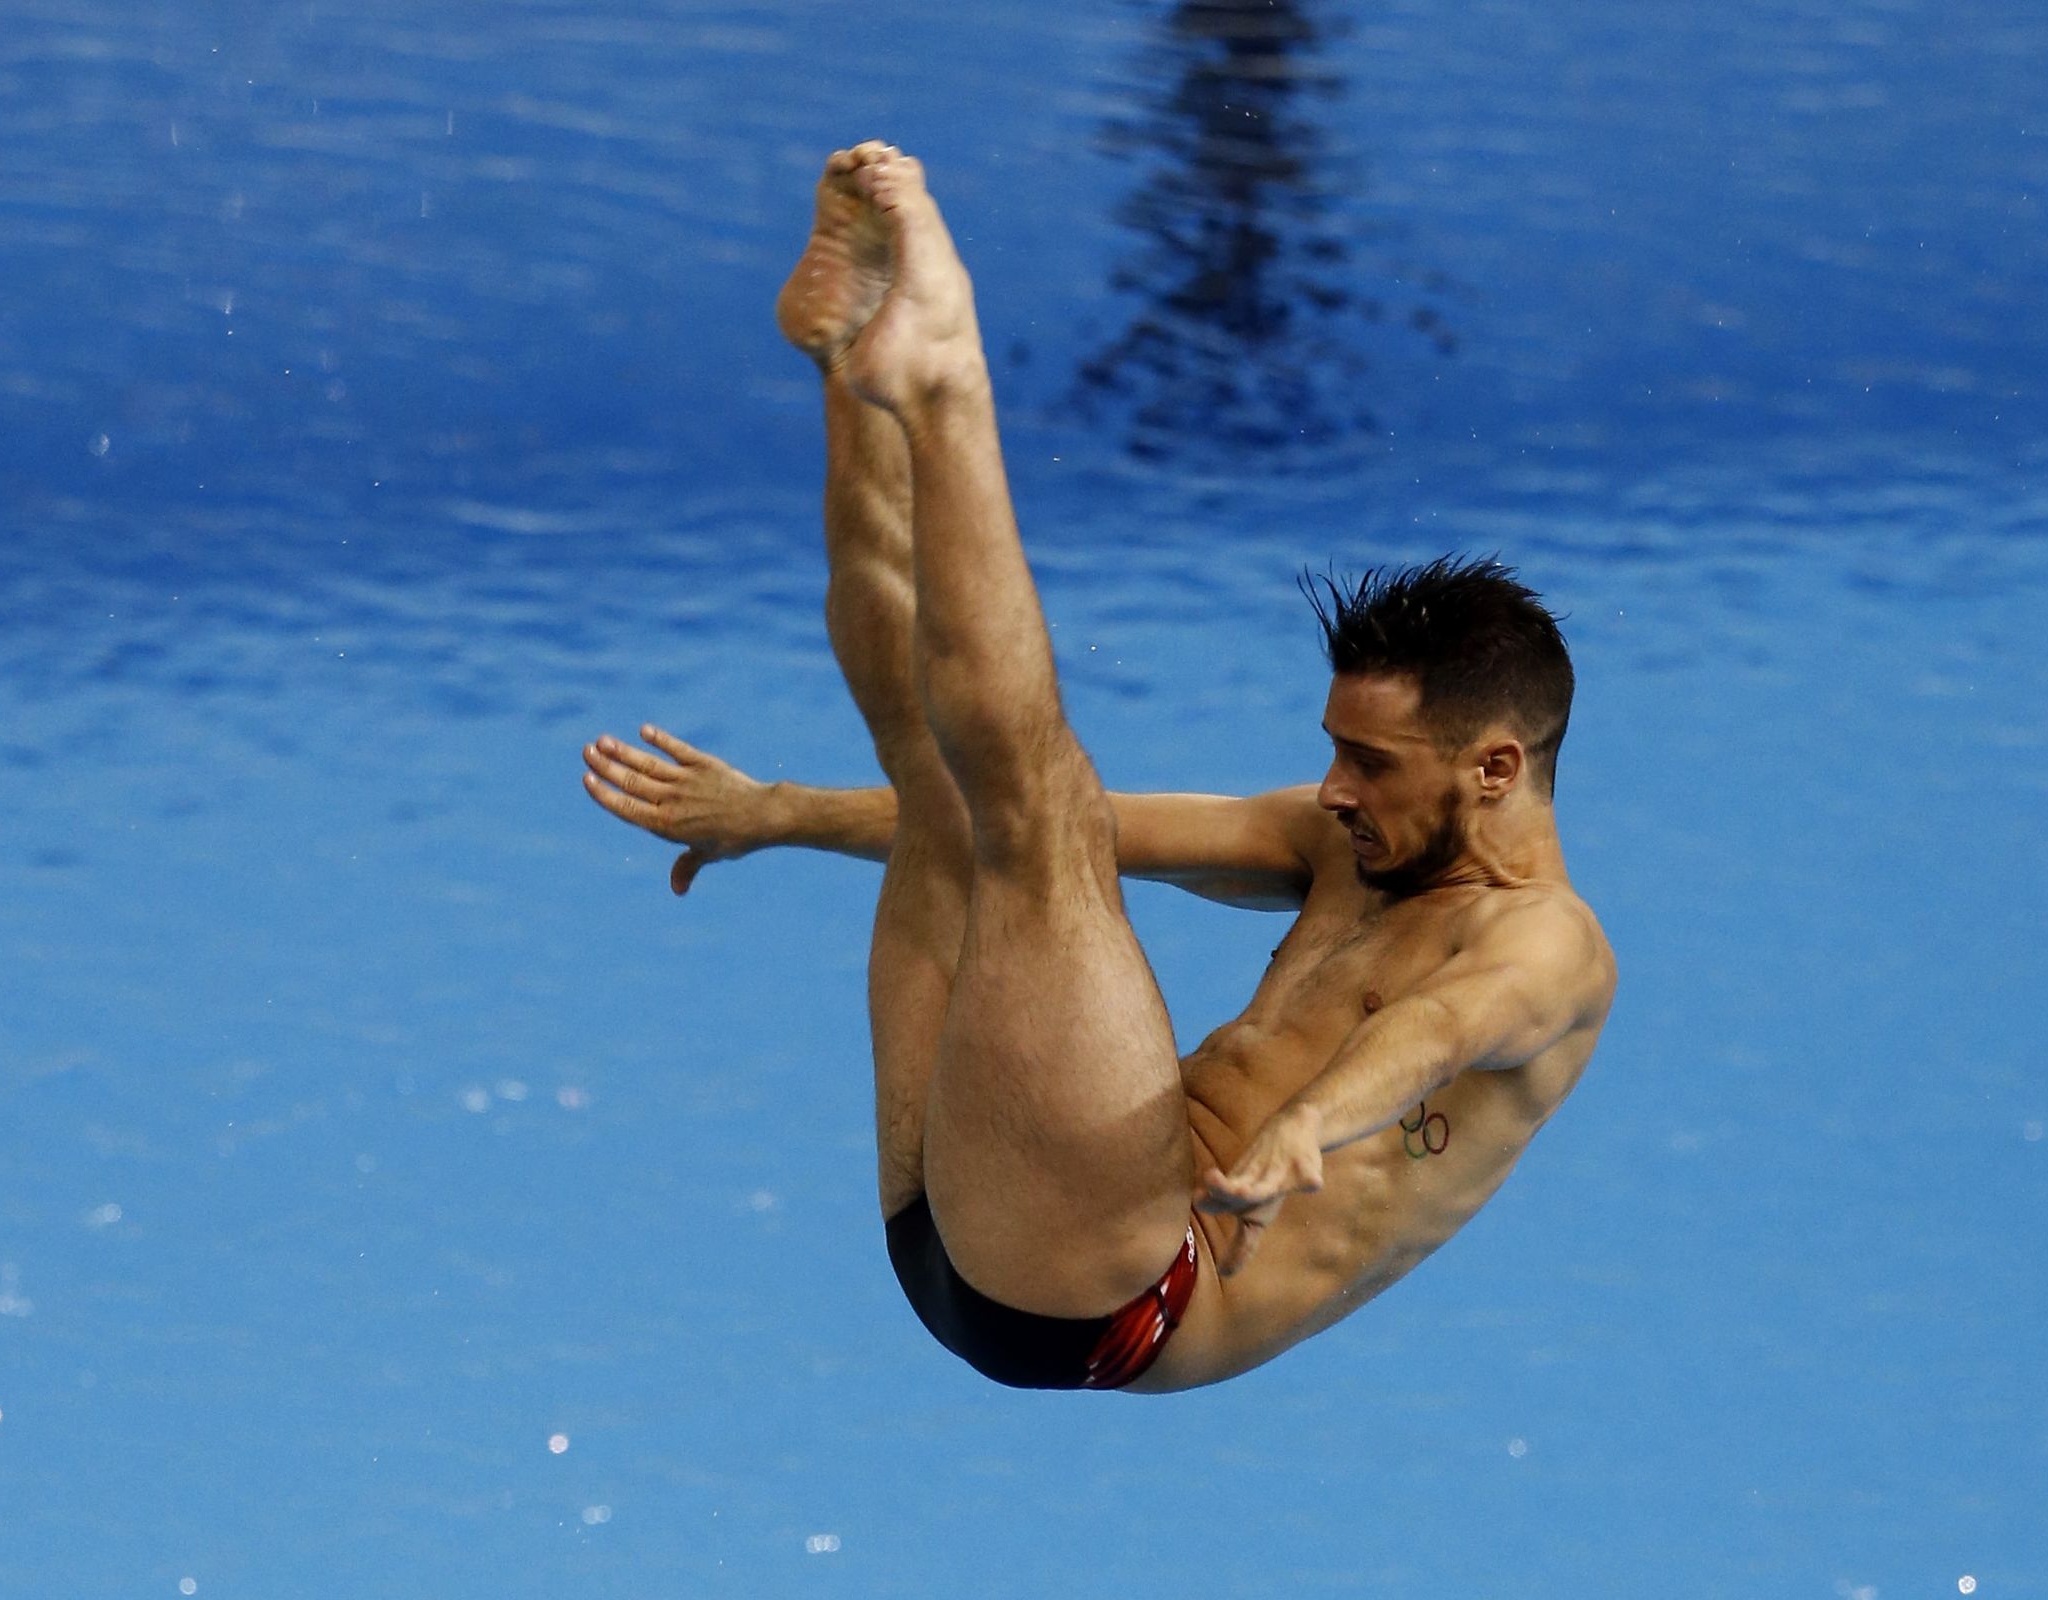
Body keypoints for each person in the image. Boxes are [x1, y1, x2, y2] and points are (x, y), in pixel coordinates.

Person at [580, 142, 1615, 1393]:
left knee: (1037, 810)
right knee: (953, 799)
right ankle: (855, 365)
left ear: (1496, 766)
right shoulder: (1340, 843)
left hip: (1130, 1287)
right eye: (1334, 745)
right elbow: (1103, 825)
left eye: (1369, 760)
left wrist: (1305, 1125)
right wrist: (778, 812)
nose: (1333, 784)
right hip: (975, 1215)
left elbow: (1448, 1030)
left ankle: (950, 384)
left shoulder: (1549, 944)